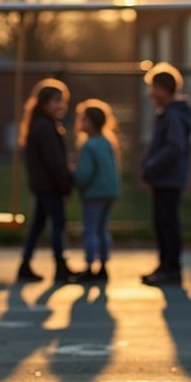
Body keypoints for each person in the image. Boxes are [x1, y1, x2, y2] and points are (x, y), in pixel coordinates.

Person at [17, 78, 78, 283]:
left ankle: (25, 264)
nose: (61, 106)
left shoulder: (41, 124)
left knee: (39, 224)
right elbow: (54, 161)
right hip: (49, 185)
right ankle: (60, 265)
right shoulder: (46, 128)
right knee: (58, 224)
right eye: (56, 101)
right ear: (44, 103)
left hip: (43, 184)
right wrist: (66, 182)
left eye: (63, 101)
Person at [140, 63, 191, 286]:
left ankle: (171, 268)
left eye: (153, 88)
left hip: (168, 178)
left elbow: (175, 147)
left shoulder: (172, 115)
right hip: (165, 178)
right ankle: (165, 265)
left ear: (164, 89)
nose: (150, 93)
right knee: (163, 223)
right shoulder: (167, 114)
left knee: (167, 223)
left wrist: (153, 166)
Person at [73, 99, 121, 282]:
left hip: (94, 193)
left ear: (90, 122)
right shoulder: (107, 142)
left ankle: (89, 265)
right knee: (102, 229)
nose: (81, 123)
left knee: (90, 229)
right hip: (109, 192)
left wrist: (75, 180)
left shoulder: (88, 146)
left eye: (83, 119)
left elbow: (85, 173)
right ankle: (103, 264)